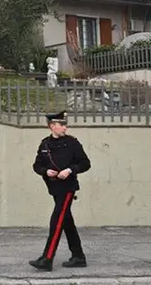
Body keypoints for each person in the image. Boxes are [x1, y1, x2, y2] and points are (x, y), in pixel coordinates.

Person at [29, 110, 91, 271]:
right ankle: (78, 257)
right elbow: (37, 165)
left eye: (65, 124)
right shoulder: (44, 144)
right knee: (66, 222)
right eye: (61, 125)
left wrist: (70, 170)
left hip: (68, 188)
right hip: (54, 188)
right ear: (52, 126)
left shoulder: (72, 143)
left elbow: (85, 163)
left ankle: (47, 258)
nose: (65, 128)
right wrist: (45, 171)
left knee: (56, 221)